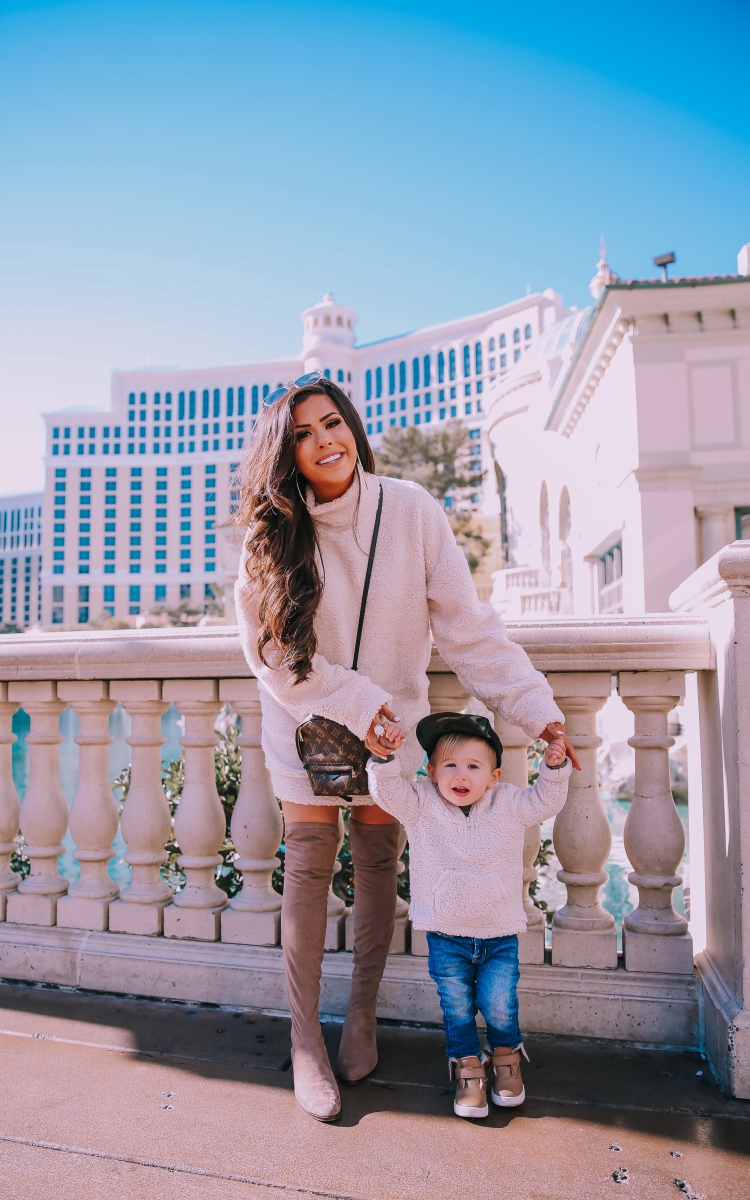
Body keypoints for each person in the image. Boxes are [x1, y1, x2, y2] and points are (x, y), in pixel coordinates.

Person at [235, 372, 579, 1122]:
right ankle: (304, 1041)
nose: (325, 440)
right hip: (310, 732)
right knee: (309, 872)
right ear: (286, 454)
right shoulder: (270, 539)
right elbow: (274, 658)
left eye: (333, 423)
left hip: (392, 741)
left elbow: (468, 631)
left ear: (354, 427)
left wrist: (536, 711)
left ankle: (362, 1018)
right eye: (303, 433)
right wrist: (364, 704)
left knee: (380, 863)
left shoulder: (412, 512)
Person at [367, 712, 571, 1118]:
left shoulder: (509, 802)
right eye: (450, 766)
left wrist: (553, 768)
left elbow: (545, 801)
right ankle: (466, 1065)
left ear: (493, 776)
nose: (461, 775)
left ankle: (506, 1058)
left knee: (499, 1004)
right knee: (456, 1006)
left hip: (498, 933)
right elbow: (387, 794)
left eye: (473, 767)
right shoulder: (421, 802)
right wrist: (385, 761)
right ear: (431, 771)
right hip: (446, 933)